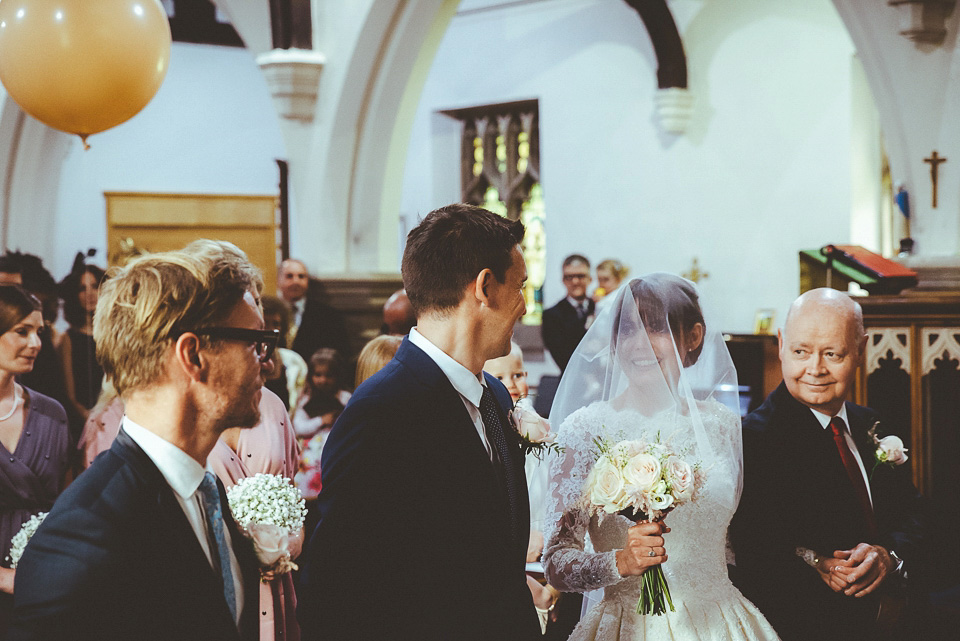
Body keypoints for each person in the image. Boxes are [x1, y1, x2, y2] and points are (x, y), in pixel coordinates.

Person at [297, 203, 541, 640]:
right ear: (485, 286)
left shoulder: (496, 395)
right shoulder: (381, 412)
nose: (524, 306)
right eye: (521, 287)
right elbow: (336, 589)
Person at [9, 245, 271, 640]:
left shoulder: (208, 490)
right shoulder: (83, 539)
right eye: (255, 342)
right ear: (193, 355)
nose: (266, 361)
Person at [542, 274, 780, 640]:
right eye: (626, 331)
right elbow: (557, 563)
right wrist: (620, 562)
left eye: (657, 328)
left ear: (694, 337)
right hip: (628, 625)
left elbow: (740, 541)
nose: (639, 345)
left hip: (719, 622)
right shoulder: (584, 431)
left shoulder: (724, 426)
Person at [730, 288, 925, 641]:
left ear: (862, 350)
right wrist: (818, 563)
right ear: (781, 344)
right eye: (801, 352)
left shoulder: (872, 423)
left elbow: (913, 513)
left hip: (901, 618)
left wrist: (889, 555)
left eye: (833, 354)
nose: (815, 369)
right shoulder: (753, 439)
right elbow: (755, 553)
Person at [0, 286, 69, 636]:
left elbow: (63, 504)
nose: (36, 343)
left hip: (43, 582)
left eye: (39, 332)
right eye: (22, 331)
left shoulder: (51, 414)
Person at [209, 388, 303, 641]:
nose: (268, 363)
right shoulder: (186, 404)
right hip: (215, 574)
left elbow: (290, 488)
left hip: (274, 573)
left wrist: (291, 542)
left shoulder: (273, 405)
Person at [56, 256, 106, 425]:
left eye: (94, 286)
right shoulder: (68, 339)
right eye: (82, 288)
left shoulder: (113, 335)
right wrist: (89, 418)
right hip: (84, 422)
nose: (89, 294)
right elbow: (69, 394)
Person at [277, 259, 350, 364]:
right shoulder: (268, 312)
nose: (296, 281)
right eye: (289, 276)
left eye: (301, 276)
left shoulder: (328, 316)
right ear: (278, 280)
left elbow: (341, 356)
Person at [542, 254, 595, 372]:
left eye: (580, 276)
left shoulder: (599, 307)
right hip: (572, 383)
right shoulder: (552, 315)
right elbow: (564, 359)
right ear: (563, 280)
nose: (575, 281)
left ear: (590, 278)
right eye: (569, 277)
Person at [261, 295, 307, 411]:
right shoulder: (247, 360)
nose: (271, 329)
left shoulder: (294, 361)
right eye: (265, 323)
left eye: (276, 324)